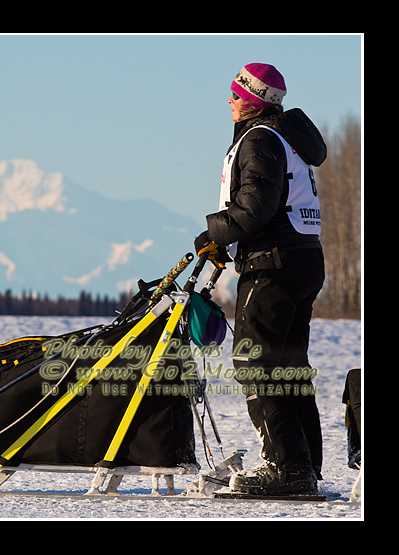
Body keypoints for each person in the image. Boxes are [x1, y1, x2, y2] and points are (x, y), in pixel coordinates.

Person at [194, 63, 327, 495]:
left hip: (273, 265)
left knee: (258, 366)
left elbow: (256, 205)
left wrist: (214, 231)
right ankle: (304, 466)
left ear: (252, 100)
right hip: (304, 260)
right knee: (288, 367)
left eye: (235, 94)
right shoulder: (287, 139)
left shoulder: (261, 139)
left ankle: (287, 470)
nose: (229, 101)